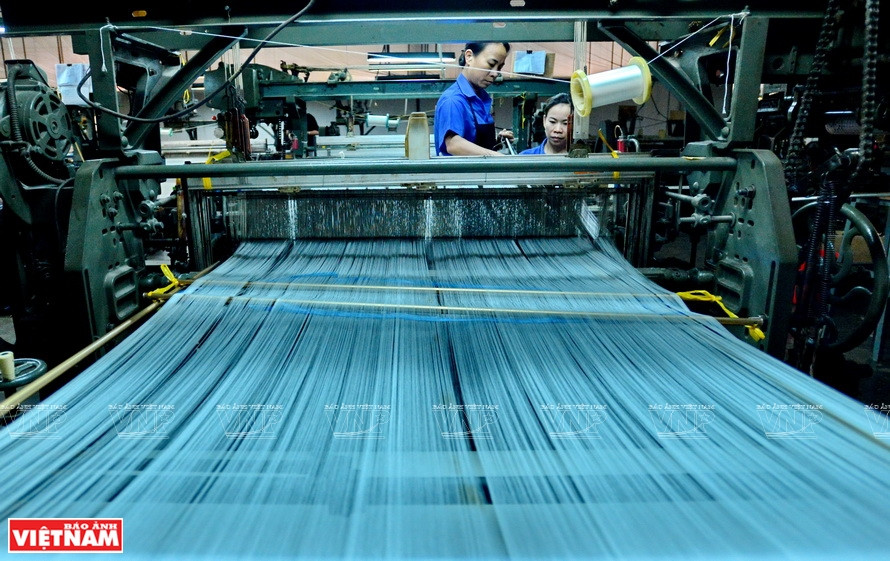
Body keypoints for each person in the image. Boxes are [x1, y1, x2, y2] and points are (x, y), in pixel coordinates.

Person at [434, 42, 513, 156]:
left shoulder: (480, 98)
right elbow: (453, 144)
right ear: (469, 57)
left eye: (499, 67)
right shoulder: (453, 100)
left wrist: (497, 142)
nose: (495, 73)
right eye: (491, 64)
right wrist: (496, 157)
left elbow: (474, 142)